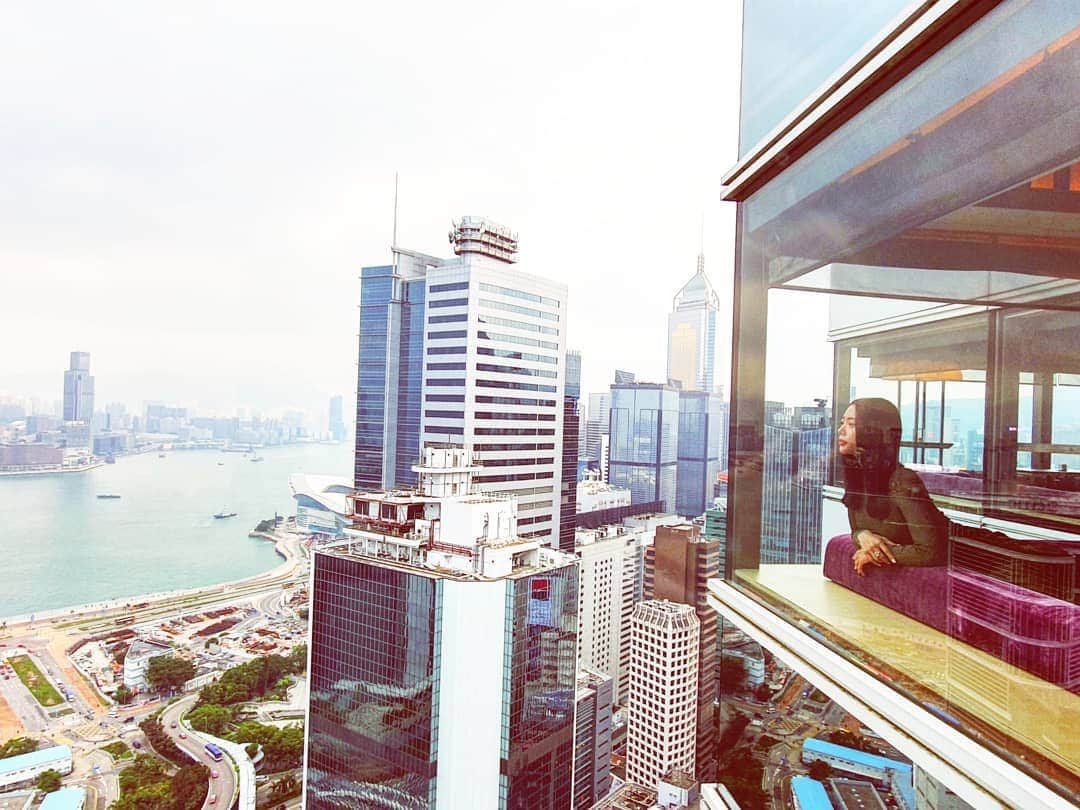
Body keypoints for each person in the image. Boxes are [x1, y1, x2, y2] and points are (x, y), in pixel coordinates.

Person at [837, 397, 949, 575]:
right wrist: (863, 536)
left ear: (873, 432)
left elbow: (932, 552)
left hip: (984, 554)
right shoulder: (858, 478)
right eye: (843, 423)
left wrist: (874, 554)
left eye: (851, 425)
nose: (840, 430)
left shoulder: (901, 481)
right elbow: (857, 529)